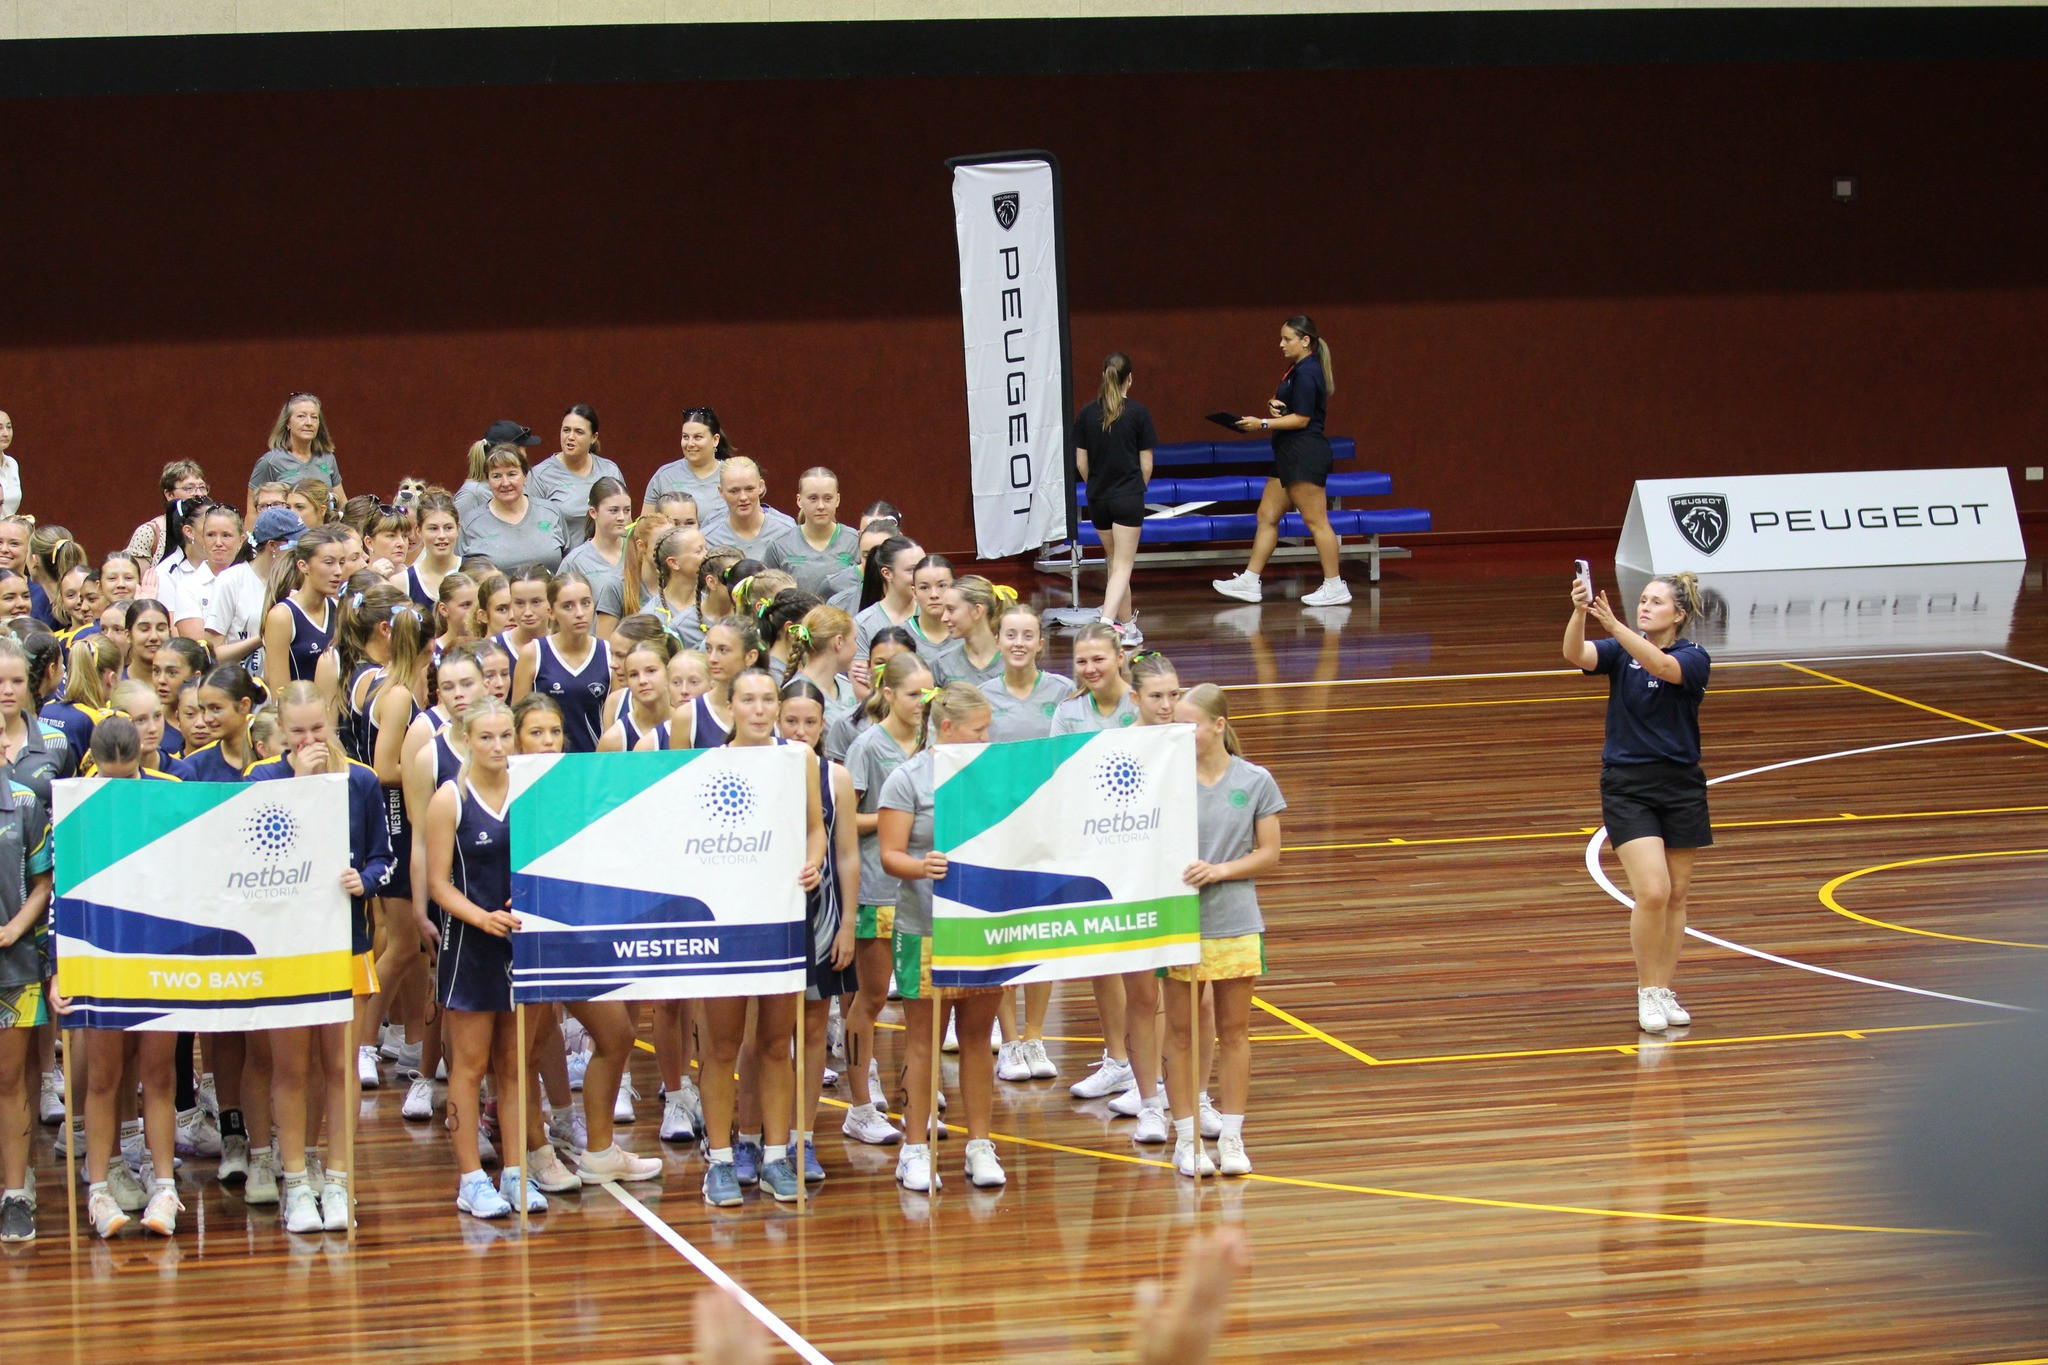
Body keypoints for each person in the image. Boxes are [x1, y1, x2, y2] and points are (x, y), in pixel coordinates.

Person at [246, 681, 394, 1233]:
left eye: (318, 729)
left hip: (346, 942)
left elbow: (385, 857)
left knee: (339, 1065)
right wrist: (303, 788)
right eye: (299, 731)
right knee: (291, 1066)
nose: (310, 740)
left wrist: (370, 879)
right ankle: (296, 1182)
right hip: (285, 947)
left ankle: (337, 1178)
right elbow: (258, 859)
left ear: (331, 722)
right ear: (281, 732)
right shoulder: (263, 780)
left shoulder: (361, 780)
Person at [423, 699, 564, 1219]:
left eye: (506, 736)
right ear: (465, 739)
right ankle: (469, 1180)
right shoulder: (450, 798)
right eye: (487, 738)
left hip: (522, 943)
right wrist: (481, 917)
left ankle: (513, 1172)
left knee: (512, 1065)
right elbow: (438, 884)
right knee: (469, 1064)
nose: (499, 747)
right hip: (470, 947)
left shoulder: (532, 794)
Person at [694, 668, 825, 1206]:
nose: (759, 708)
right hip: (725, 922)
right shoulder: (705, 765)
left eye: (767, 699)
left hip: (781, 916)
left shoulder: (801, 760)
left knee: (776, 1043)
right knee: (723, 1046)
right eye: (747, 699)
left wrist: (813, 862)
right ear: (729, 706)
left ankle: (775, 1156)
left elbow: (815, 827)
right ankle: (720, 1161)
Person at [1565, 569, 1711, 1034]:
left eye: (1655, 602)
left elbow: (1663, 669)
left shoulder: (1694, 657)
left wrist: (1615, 627)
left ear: (1679, 614)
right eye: (1642, 600)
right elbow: (1575, 654)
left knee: (1677, 896)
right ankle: (1647, 991)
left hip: (1681, 786)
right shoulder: (1620, 651)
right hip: (1628, 786)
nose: (1644, 607)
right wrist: (1579, 613)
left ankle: (1665, 988)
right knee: (1652, 891)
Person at [878, 681, 1006, 1193]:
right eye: (979, 730)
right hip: (925, 928)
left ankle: (979, 1145)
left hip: (984, 929)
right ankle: (914, 1149)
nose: (987, 737)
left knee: (977, 1041)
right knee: (923, 1042)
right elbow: (891, 855)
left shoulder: (995, 775)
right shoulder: (907, 780)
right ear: (947, 729)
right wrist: (921, 865)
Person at [1163, 684, 1283, 1179]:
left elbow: (1269, 854)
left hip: (1235, 920)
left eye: (1189, 723)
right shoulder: (1165, 781)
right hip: (1178, 923)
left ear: (1218, 726)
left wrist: (1219, 871)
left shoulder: (1255, 781)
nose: (1181, 733)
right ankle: (1187, 1139)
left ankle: (1231, 1136)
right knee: (1182, 1033)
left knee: (1234, 1033)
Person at [72, 716, 184, 1238]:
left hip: (161, 957)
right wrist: (59, 969)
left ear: (141, 757)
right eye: (109, 780)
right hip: (97, 959)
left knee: (159, 1075)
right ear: (94, 764)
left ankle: (165, 1187)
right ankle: (98, 1190)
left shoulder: (173, 794)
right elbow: (58, 895)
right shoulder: (71, 802)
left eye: (127, 778)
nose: (118, 791)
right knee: (102, 1079)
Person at [839, 650, 931, 1145]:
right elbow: (843, 818)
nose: (923, 702)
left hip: (922, 892)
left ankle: (912, 1100)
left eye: (929, 693)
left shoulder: (933, 742)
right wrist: (897, 815)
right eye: (915, 694)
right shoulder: (868, 746)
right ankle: (858, 1106)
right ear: (889, 694)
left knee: (922, 1005)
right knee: (871, 998)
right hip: (877, 887)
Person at [980, 601, 1070, 1083]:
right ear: (997, 641)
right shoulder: (981, 697)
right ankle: (1010, 1041)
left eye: (1027, 635)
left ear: (1040, 642)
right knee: (1006, 937)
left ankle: (1035, 1036)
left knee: (1042, 935)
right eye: (1009, 634)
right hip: (999, 834)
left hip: (1048, 833)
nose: (1018, 643)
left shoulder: (1062, 692)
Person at [775, 678, 860, 1187]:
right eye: (792, 721)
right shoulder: (758, 771)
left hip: (821, 918)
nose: (801, 731)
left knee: (810, 1031)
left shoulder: (837, 778)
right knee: (761, 1035)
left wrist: (848, 922)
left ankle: (801, 1137)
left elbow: (847, 855)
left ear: (823, 725)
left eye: (810, 722)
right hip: (765, 918)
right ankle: (759, 1136)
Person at [1212, 315, 1351, 608]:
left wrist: (1262, 423)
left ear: (1305, 341)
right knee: (1267, 516)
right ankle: (1250, 580)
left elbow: (1302, 419)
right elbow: (1296, 410)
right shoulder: (1296, 369)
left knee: (1317, 521)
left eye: (1287, 339)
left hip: (1304, 453)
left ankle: (1334, 585)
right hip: (1288, 453)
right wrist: (1278, 408)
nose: (1281, 344)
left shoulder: (1308, 371)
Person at [0, 671, 51, 1243]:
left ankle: (17, 1193)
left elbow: (43, 880)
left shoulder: (22, 804)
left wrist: (16, 927)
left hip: (14, 963)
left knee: (12, 1079)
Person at [1075, 352, 1157, 646]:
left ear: (1104, 376)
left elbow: (1081, 463)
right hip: (1127, 498)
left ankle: (1129, 628)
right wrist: (1134, 489)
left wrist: (1098, 486)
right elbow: (1146, 465)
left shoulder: (1086, 414)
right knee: (1122, 565)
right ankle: (1105, 626)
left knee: (1114, 563)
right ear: (1130, 379)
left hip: (1097, 499)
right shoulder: (1138, 413)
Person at [511, 570, 611, 753]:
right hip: (543, 765)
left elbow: (614, 723)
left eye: (585, 603)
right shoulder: (533, 653)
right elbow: (517, 721)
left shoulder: (609, 654)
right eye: (568, 606)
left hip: (592, 765)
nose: (579, 613)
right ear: (551, 612)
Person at [206, 505, 305, 672]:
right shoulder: (231, 580)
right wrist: (264, 637)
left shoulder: (301, 578)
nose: (303, 550)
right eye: (297, 544)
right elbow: (212, 654)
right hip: (243, 687)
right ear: (273, 546)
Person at [260, 525, 352, 695]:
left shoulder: (339, 608)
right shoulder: (282, 616)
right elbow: (280, 692)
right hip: (300, 717)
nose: (338, 571)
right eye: (329, 562)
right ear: (303, 566)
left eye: (342, 562)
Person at [527, 405, 624, 551]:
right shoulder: (540, 476)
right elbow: (533, 529)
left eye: (579, 432)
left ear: (593, 437)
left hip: (608, 561)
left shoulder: (610, 470)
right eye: (566, 430)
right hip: (564, 566)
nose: (570, 437)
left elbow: (624, 520)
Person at [460, 443, 568, 574]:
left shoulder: (550, 512)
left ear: (525, 476)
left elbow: (568, 564)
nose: (505, 483)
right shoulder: (471, 523)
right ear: (487, 480)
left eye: (512, 474)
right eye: (496, 476)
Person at [248, 392, 347, 522]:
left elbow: (342, 505)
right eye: (301, 416)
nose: (309, 423)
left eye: (314, 417)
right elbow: (252, 513)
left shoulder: (327, 458)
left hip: (324, 536)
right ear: (287, 423)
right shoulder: (270, 462)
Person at [762, 467, 861, 597]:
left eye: (827, 498)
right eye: (813, 498)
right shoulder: (779, 546)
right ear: (799, 500)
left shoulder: (855, 542)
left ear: (837, 500)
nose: (821, 506)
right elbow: (765, 594)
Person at [643, 407, 733, 540]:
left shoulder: (732, 474)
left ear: (715, 440)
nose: (690, 443)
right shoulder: (664, 476)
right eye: (685, 437)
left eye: (698, 437)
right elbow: (645, 529)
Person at [559, 477, 633, 637]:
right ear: (593, 512)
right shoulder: (575, 562)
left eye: (626, 510)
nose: (622, 517)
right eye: (614, 510)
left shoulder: (638, 552)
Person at [169, 505, 246, 643]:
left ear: (241, 540)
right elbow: (200, 647)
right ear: (203, 538)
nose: (218, 543)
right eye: (211, 535)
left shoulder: (252, 580)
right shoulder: (188, 587)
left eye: (226, 535)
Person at [127, 462, 211, 575]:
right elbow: (136, 581)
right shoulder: (148, 532)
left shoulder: (214, 529)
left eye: (202, 487)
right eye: (189, 488)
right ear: (169, 495)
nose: (199, 494)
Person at [598, 634, 676, 753]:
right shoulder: (613, 740)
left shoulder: (688, 725)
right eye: (633, 674)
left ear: (668, 672)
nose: (642, 681)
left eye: (651, 671)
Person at [705, 457, 796, 557]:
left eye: (749, 489)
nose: (743, 497)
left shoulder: (786, 530)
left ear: (761, 487)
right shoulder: (708, 538)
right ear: (721, 492)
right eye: (734, 491)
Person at [934, 575, 1012, 687]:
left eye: (951, 609)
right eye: (944, 610)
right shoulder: (942, 663)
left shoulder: (1014, 662)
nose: (944, 618)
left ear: (977, 611)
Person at [642, 524, 708, 646]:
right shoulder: (652, 616)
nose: (707, 555)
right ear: (673, 563)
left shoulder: (710, 604)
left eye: (706, 548)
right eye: (699, 551)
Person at [401, 491, 463, 608]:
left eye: (448, 528)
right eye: (433, 528)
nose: (441, 535)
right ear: (419, 530)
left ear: (458, 528)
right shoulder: (403, 582)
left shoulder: (473, 572)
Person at [0, 409, 20, 516]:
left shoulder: (12, 464)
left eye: (9, 427)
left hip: (8, 531)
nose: (6, 433)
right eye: (0, 428)